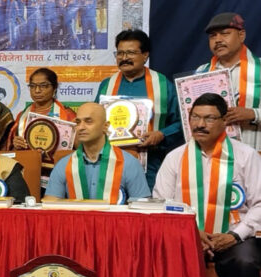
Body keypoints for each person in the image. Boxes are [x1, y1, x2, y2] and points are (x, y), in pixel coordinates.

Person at [153, 93, 261, 277]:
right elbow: (161, 202)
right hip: (187, 236)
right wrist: (189, 229)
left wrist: (235, 235)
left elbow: (260, 203)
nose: (200, 124)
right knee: (159, 259)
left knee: (246, 263)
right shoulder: (175, 158)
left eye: (209, 118)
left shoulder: (246, 156)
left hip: (234, 236)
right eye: (195, 117)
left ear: (225, 121)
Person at [95, 30, 182, 188]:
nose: (124, 58)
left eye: (131, 53)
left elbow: (182, 123)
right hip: (109, 163)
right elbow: (95, 120)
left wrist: (161, 134)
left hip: (151, 165)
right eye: (120, 53)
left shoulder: (162, 85)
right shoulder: (107, 85)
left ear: (145, 55)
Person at [44, 103, 150, 201]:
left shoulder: (129, 164)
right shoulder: (63, 165)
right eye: (78, 122)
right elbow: (50, 207)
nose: (81, 127)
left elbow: (142, 209)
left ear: (105, 126)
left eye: (88, 121)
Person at [196, 12, 261, 150]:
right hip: (213, 154)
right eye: (213, 36)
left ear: (241, 35)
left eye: (225, 34)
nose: (218, 40)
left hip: (255, 153)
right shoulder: (201, 72)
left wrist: (253, 114)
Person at [12, 67, 76, 150]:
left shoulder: (69, 116)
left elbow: (80, 149)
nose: (37, 90)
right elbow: (9, 151)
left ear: (54, 88)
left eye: (43, 86)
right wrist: (16, 146)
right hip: (27, 158)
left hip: (60, 158)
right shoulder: (21, 117)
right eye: (32, 86)